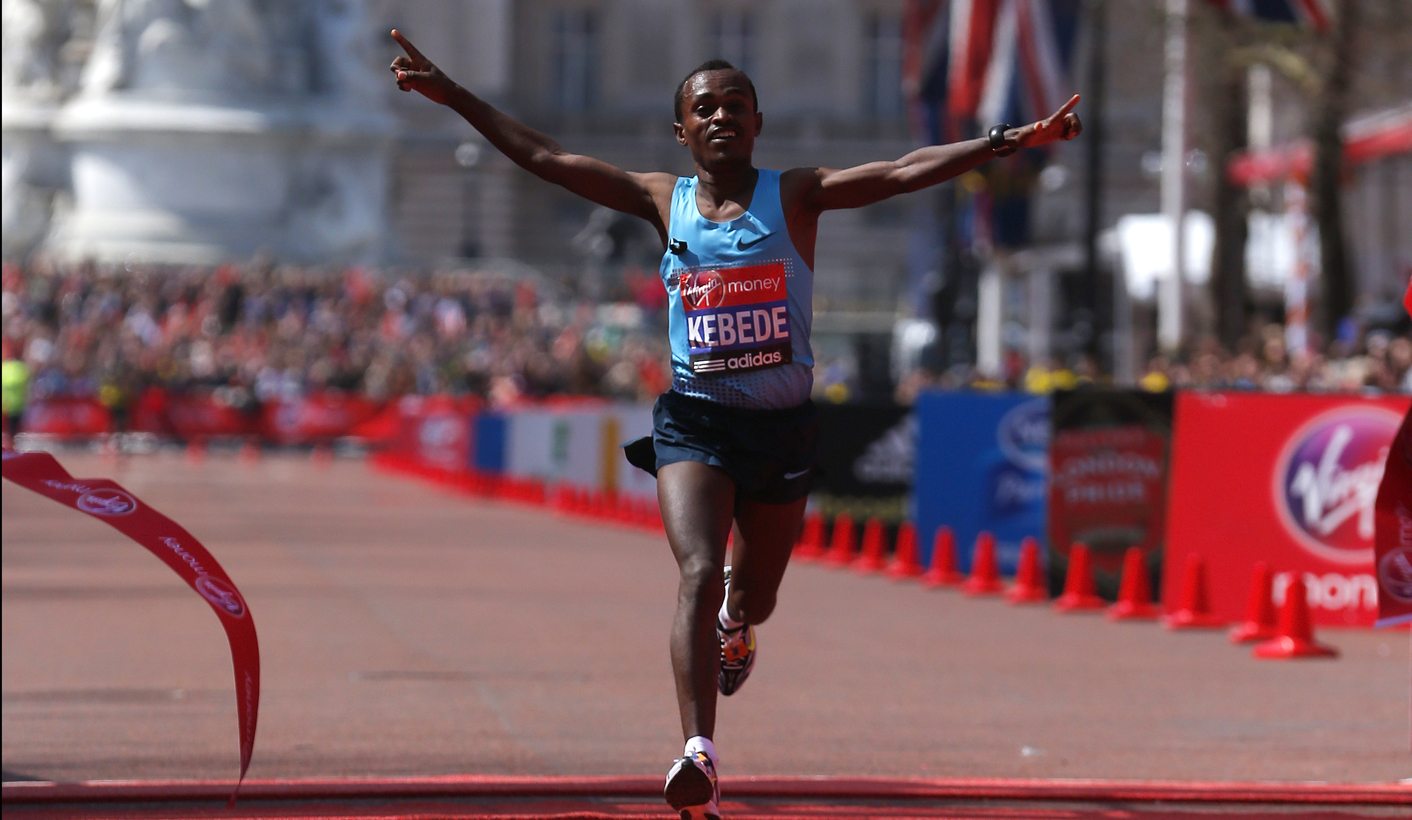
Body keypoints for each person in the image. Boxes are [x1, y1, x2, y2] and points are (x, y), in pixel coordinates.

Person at [389, 29, 1081, 820]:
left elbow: (897, 173)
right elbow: (545, 158)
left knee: (754, 597)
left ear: (759, 125)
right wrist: (456, 97)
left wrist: (1006, 140)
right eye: (704, 109)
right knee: (693, 567)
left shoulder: (797, 195)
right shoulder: (662, 199)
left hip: (782, 430)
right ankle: (699, 752)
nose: (721, 118)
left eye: (736, 108)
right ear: (682, 131)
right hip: (696, 422)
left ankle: (735, 621)